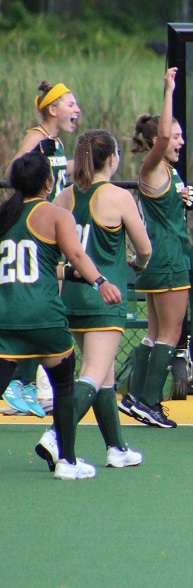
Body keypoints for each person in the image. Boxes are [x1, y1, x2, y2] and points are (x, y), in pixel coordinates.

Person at [0, 152, 122, 479]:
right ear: (48, 182)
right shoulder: (56, 214)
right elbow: (77, 253)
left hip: (6, 316)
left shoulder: (5, 216)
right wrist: (100, 281)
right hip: (44, 316)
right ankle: (66, 461)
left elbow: (31, 263)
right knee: (65, 386)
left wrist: (68, 274)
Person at [35, 130, 153, 468]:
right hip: (105, 297)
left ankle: (116, 447)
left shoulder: (63, 198)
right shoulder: (117, 196)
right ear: (112, 159)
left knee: (104, 375)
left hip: (71, 298)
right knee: (91, 373)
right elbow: (144, 248)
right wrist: (139, 264)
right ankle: (56, 435)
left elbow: (52, 252)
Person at [4, 81, 82, 416]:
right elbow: (15, 174)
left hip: (49, 229)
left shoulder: (57, 144)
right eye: (71, 104)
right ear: (52, 109)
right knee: (38, 301)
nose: (76, 110)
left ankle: (29, 382)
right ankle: (19, 382)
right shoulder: (36, 138)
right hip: (34, 230)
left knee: (49, 299)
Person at [121, 68, 193, 429]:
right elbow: (163, 136)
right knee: (170, 334)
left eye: (180, 136)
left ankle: (136, 397)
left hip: (159, 258)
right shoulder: (152, 166)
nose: (178, 141)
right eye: (174, 136)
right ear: (154, 143)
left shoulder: (168, 172)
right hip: (167, 260)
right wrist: (169, 89)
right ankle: (149, 401)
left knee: (154, 332)